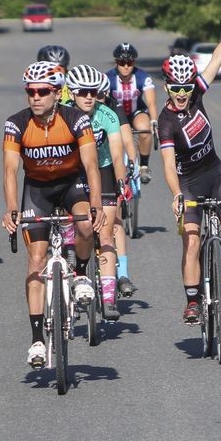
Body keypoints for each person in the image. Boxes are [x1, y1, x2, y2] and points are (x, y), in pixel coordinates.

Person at [158, 0, 221, 325]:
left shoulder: (198, 94)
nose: (183, 93)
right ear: (166, 87)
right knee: (190, 242)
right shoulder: (166, 122)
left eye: (187, 87)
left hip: (216, 175)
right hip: (189, 184)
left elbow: (217, 57)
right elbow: (168, 164)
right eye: (176, 88)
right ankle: (191, 301)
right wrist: (177, 194)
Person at [2, 61, 104, 368]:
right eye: (31, 92)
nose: (35, 97)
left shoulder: (77, 119)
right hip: (37, 190)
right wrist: (11, 209)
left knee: (86, 224)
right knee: (36, 259)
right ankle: (36, 339)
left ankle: (83, 272)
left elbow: (90, 165)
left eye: (43, 92)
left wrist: (96, 203)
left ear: (57, 94)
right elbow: (9, 170)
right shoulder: (16, 123)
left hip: (72, 184)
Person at [66, 64, 130, 321]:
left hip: (102, 172)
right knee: (70, 227)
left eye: (93, 91)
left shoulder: (107, 115)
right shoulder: (62, 115)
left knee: (105, 233)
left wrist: (122, 181)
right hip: (72, 174)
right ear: (71, 93)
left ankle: (107, 297)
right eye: (83, 91)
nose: (89, 96)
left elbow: (117, 154)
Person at [99, 69, 139, 301]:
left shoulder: (113, 110)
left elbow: (125, 140)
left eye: (103, 95)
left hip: (108, 167)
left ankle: (122, 274)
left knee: (115, 221)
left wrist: (132, 161)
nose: (98, 99)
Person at [106, 42, 158, 184]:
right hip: (116, 113)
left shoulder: (142, 76)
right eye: (122, 62)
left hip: (136, 111)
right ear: (116, 62)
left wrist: (154, 121)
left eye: (130, 62)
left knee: (144, 127)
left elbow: (151, 102)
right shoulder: (108, 78)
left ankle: (144, 165)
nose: (126, 66)